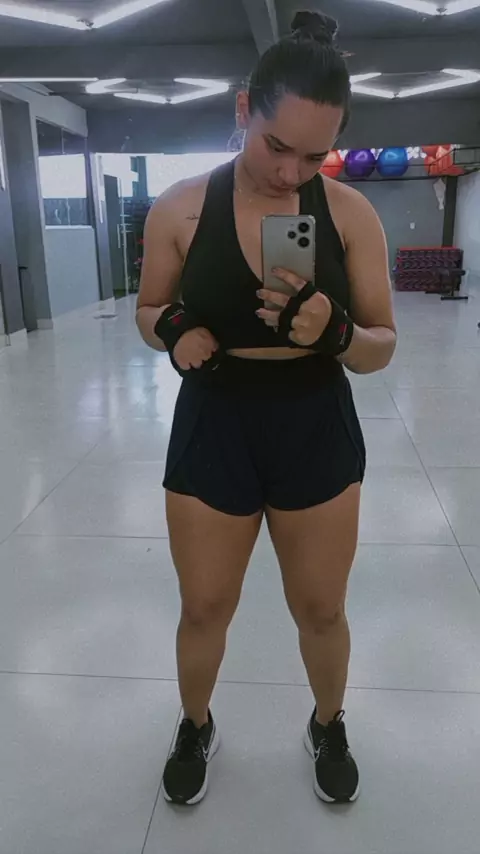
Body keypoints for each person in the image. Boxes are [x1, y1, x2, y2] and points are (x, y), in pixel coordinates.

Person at [136, 9, 396, 807]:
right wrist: (175, 332)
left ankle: (328, 722)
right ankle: (195, 723)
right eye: (276, 146)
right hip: (215, 419)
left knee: (320, 606)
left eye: (315, 156)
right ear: (245, 109)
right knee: (204, 605)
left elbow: (382, 344)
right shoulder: (181, 209)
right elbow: (148, 310)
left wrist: (337, 331)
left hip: (313, 419)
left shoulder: (349, 215)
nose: (291, 173)